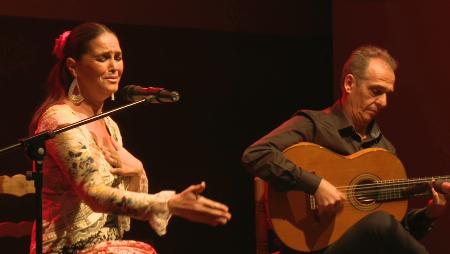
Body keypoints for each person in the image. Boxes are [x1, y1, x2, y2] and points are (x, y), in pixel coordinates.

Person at [28, 22, 231, 254]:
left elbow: (122, 212)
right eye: (103, 58)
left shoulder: (109, 124)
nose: (115, 67)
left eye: (118, 57)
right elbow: (94, 195)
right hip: (66, 249)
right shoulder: (60, 120)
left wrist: (137, 170)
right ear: (73, 67)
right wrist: (170, 203)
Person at [242, 45, 449, 253]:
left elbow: (396, 235)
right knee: (381, 222)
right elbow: (256, 154)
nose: (384, 102)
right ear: (349, 84)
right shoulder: (314, 125)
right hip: (311, 247)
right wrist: (315, 185)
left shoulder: (384, 150)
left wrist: (428, 214)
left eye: (388, 94)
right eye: (376, 91)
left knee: (382, 223)